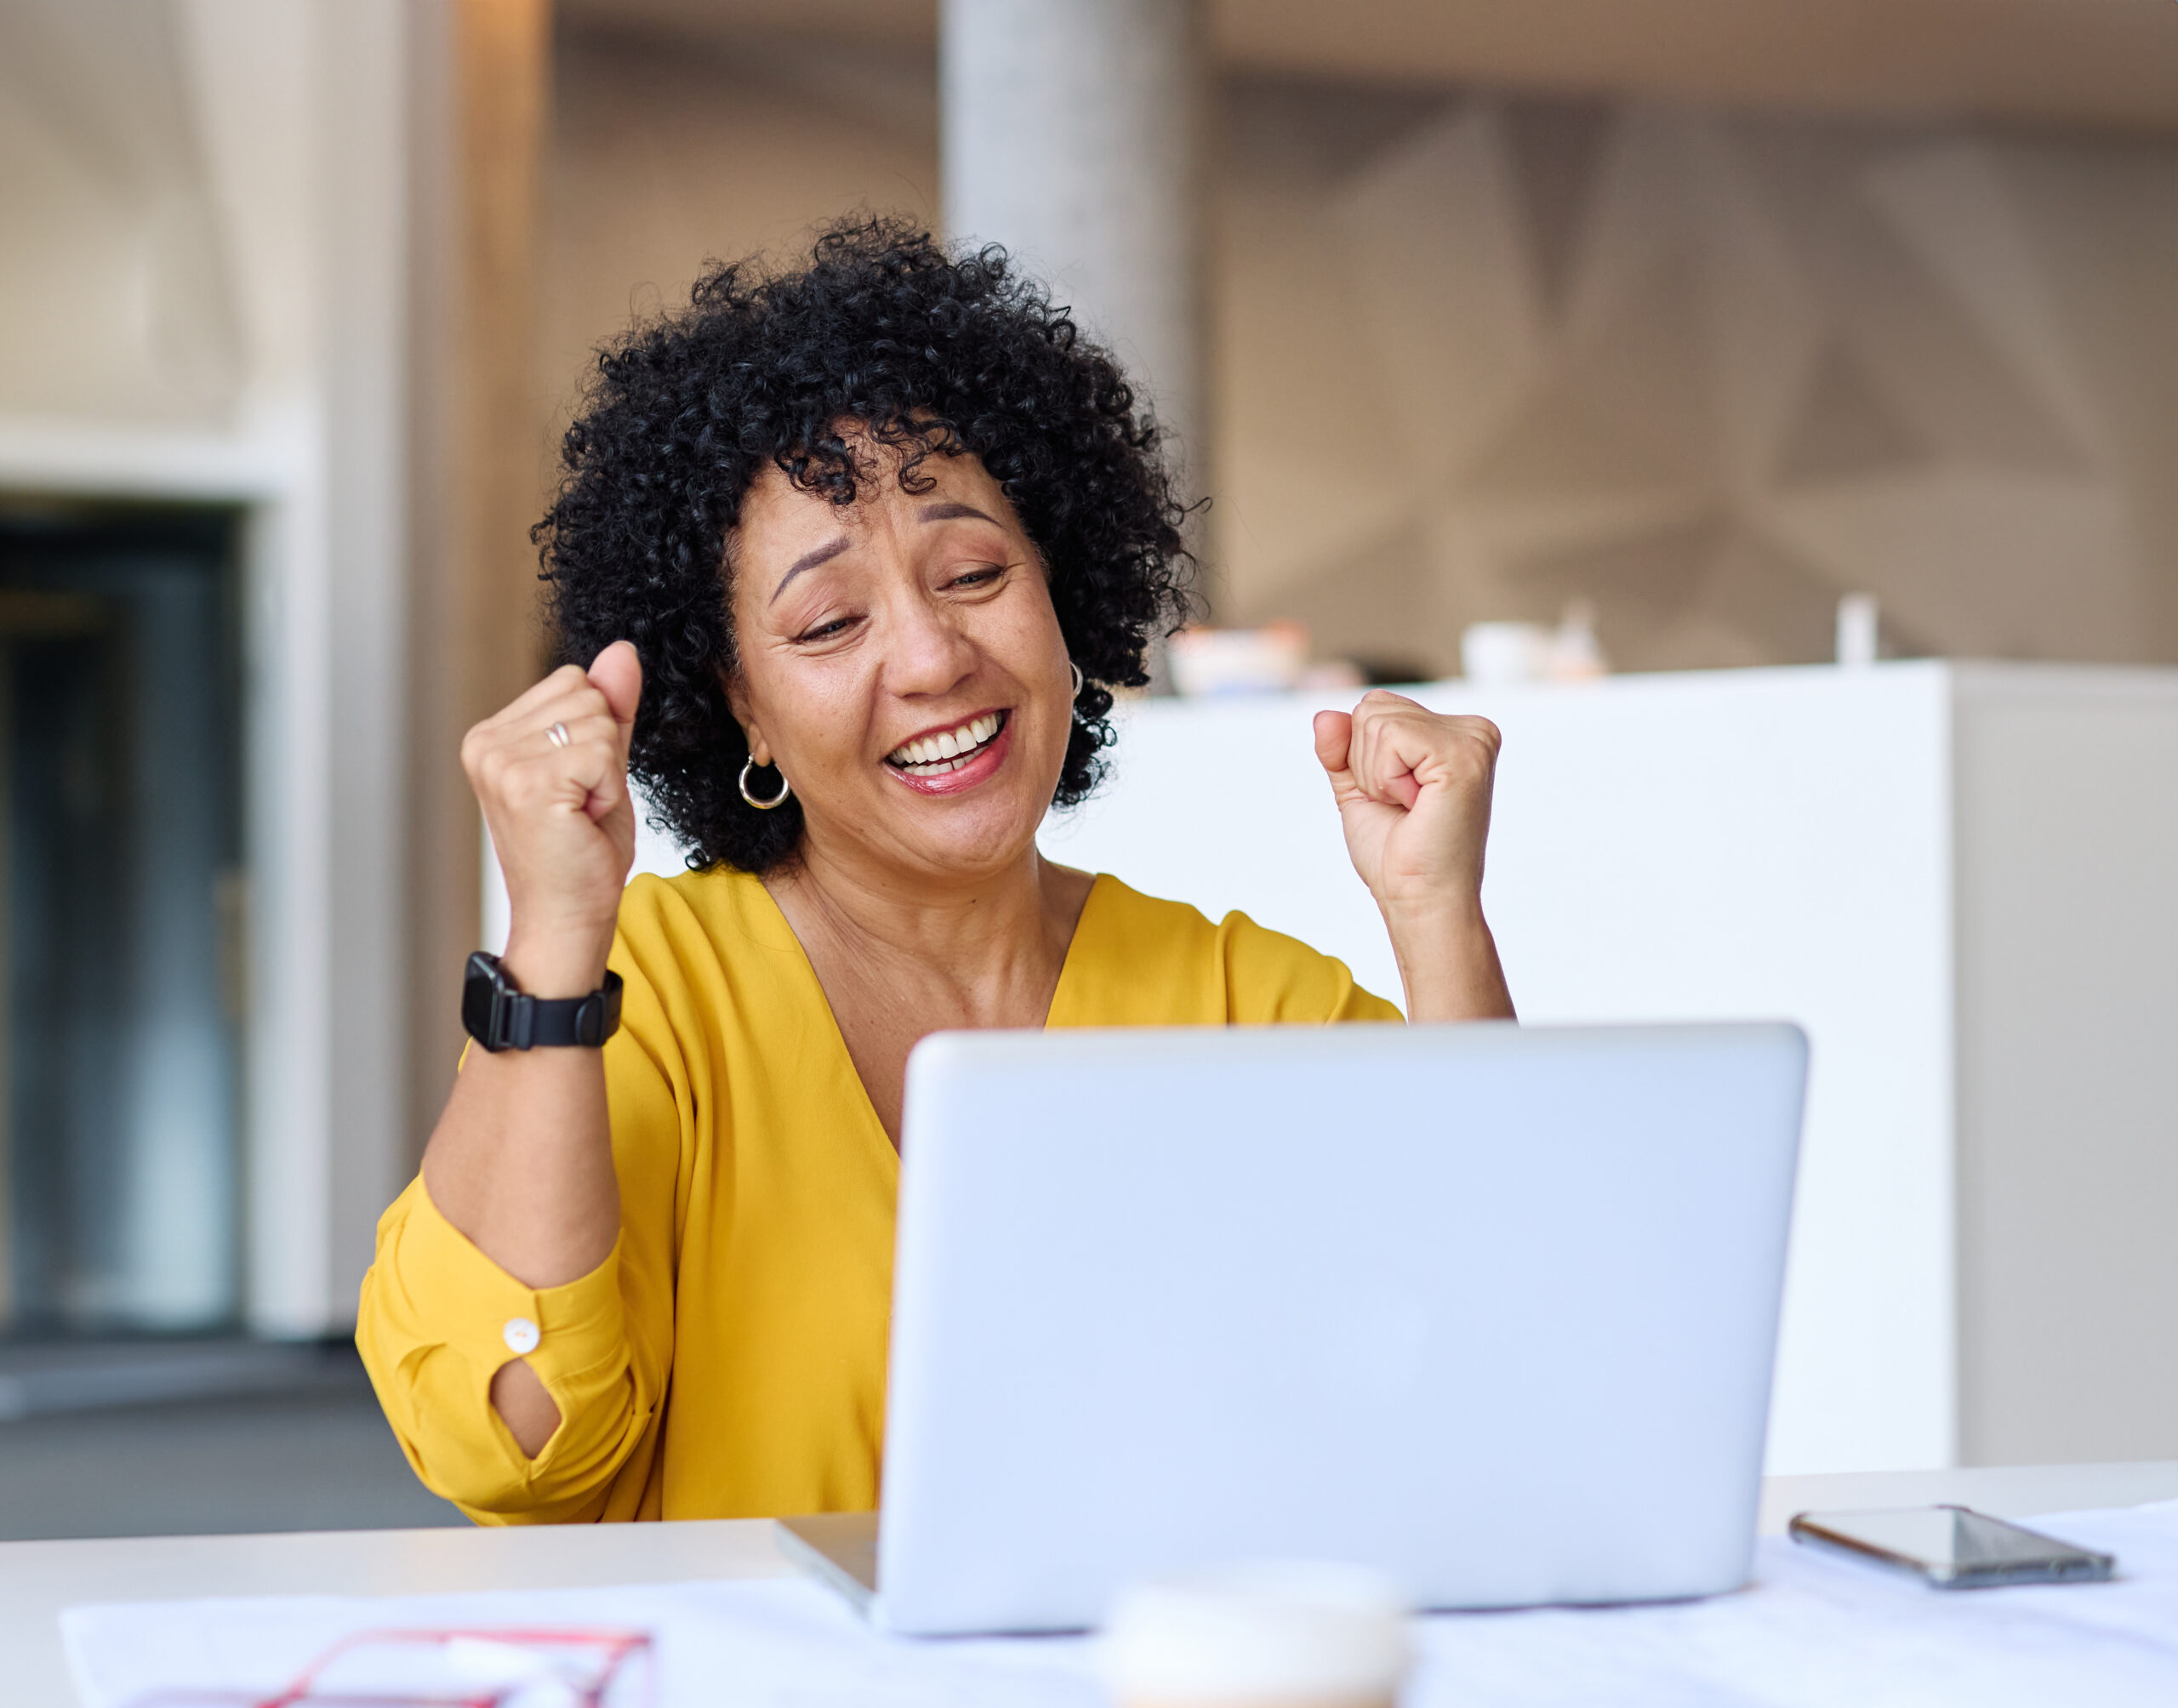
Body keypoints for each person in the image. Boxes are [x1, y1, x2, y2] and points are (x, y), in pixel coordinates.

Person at [357, 218, 1514, 1525]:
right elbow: (511, 1444)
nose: (929, 657)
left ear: (1063, 599)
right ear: (739, 707)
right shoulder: (650, 992)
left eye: (973, 574)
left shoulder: (1235, 996)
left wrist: (1434, 917)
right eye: (830, 621)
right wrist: (553, 945)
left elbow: (1506, 1357)